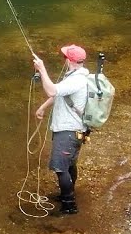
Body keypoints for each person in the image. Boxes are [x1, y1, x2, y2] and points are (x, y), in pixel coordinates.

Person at [32, 44, 90, 215]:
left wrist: (42, 69)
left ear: (69, 60)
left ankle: (69, 206)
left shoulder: (76, 80)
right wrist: (42, 107)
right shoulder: (78, 75)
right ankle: (68, 193)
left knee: (60, 168)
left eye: (65, 57)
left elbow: (52, 90)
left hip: (68, 131)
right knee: (69, 164)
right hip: (76, 130)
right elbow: (60, 94)